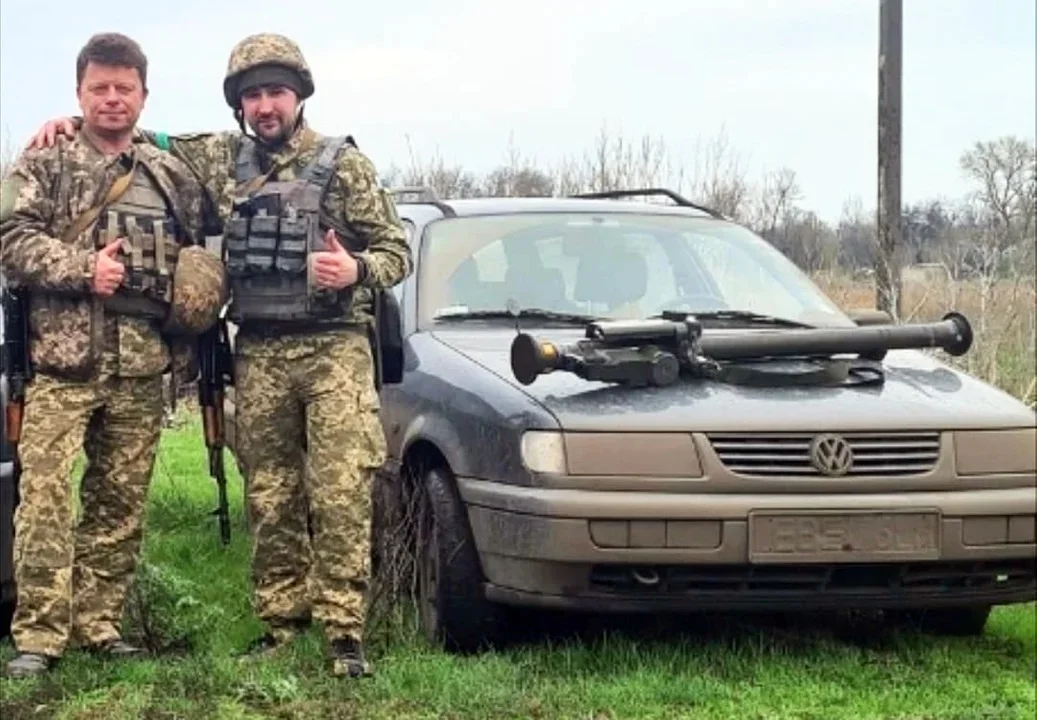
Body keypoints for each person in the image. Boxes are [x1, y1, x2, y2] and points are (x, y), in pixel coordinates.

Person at [28, 32, 413, 678]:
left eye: (277, 93)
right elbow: (133, 136)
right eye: (254, 95)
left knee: (342, 488)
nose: (266, 106)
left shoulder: (343, 164)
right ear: (240, 104)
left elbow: (396, 250)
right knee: (270, 493)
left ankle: (345, 633)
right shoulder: (217, 159)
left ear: (299, 97)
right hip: (258, 349)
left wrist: (356, 268)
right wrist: (66, 122)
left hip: (333, 351)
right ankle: (282, 625)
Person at [0, 32, 224, 678]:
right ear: (79, 92)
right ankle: (39, 637)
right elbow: (9, 238)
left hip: (141, 365)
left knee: (119, 504)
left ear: (143, 96)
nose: (111, 99)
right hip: (63, 365)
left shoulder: (168, 171)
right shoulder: (44, 161)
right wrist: (80, 268)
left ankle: (99, 625)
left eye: (124, 88)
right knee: (43, 498)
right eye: (98, 88)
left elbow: (224, 177)